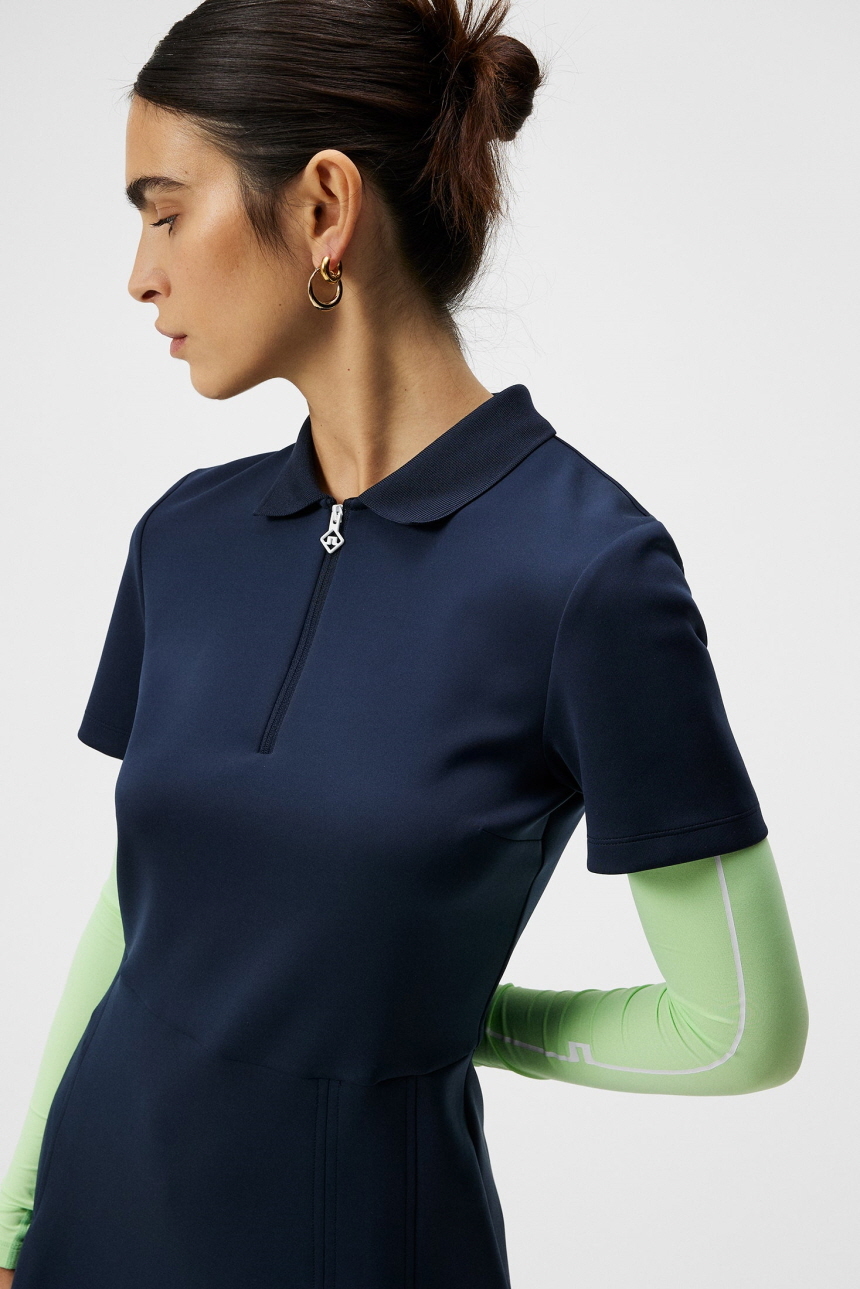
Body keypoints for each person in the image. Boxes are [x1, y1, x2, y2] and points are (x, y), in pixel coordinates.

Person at [0, 1, 808, 1285]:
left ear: (324, 208)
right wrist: (17, 1210)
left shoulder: (587, 576)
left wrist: (464, 1019)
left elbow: (738, 1026)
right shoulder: (183, 538)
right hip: (88, 1230)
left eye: (164, 213)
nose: (139, 275)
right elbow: (141, 907)